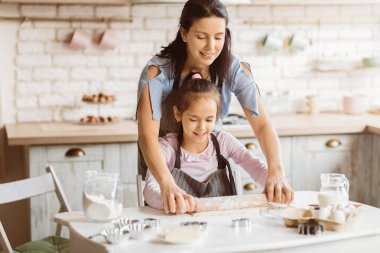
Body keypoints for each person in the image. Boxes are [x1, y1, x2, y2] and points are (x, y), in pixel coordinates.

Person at [137, 0, 293, 214]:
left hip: (210, 161)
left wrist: (276, 170)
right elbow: (147, 136)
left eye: (219, 37)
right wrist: (166, 183)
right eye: (201, 37)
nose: (211, 47)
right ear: (184, 33)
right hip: (164, 165)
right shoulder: (158, 72)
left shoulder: (234, 70)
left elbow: (262, 125)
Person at [144, 73, 269, 211]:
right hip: (183, 226)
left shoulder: (223, 141)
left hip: (222, 225)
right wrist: (170, 201)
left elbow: (254, 165)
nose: (202, 127)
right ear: (178, 114)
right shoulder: (167, 148)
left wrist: (272, 182)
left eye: (209, 120)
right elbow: (150, 190)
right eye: (193, 119)